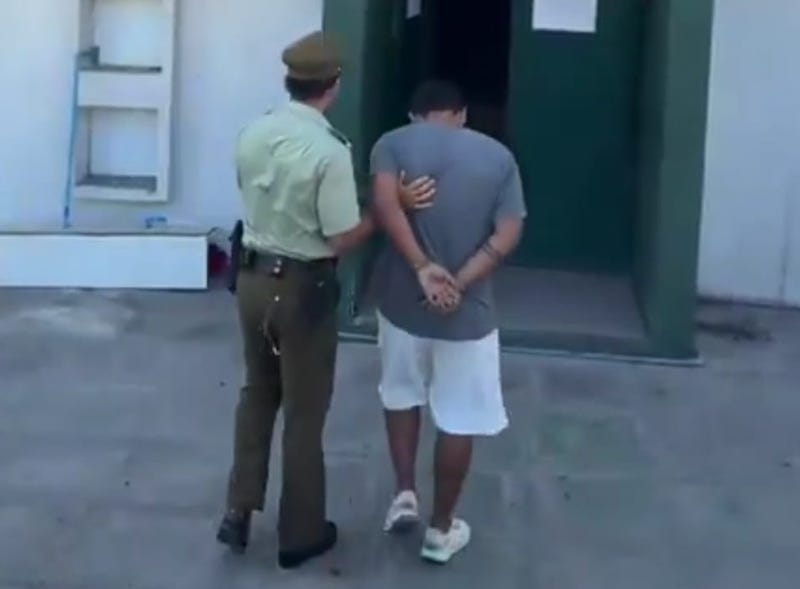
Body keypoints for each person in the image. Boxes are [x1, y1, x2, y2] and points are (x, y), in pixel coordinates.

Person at [215, 31, 442, 569]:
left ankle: (238, 510)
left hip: (252, 279)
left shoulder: (254, 131)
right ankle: (300, 532)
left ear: (289, 81)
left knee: (257, 393)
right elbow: (340, 237)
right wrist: (388, 208)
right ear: (333, 85)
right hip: (302, 288)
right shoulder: (329, 151)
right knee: (304, 410)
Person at [370, 80, 526, 564]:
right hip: (467, 314)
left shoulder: (392, 144)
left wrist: (423, 268)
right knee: (459, 417)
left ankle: (403, 494)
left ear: (414, 116)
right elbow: (508, 232)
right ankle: (440, 530)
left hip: (401, 302)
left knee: (401, 393)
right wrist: (457, 282)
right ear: (461, 114)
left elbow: (385, 206)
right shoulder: (498, 157)